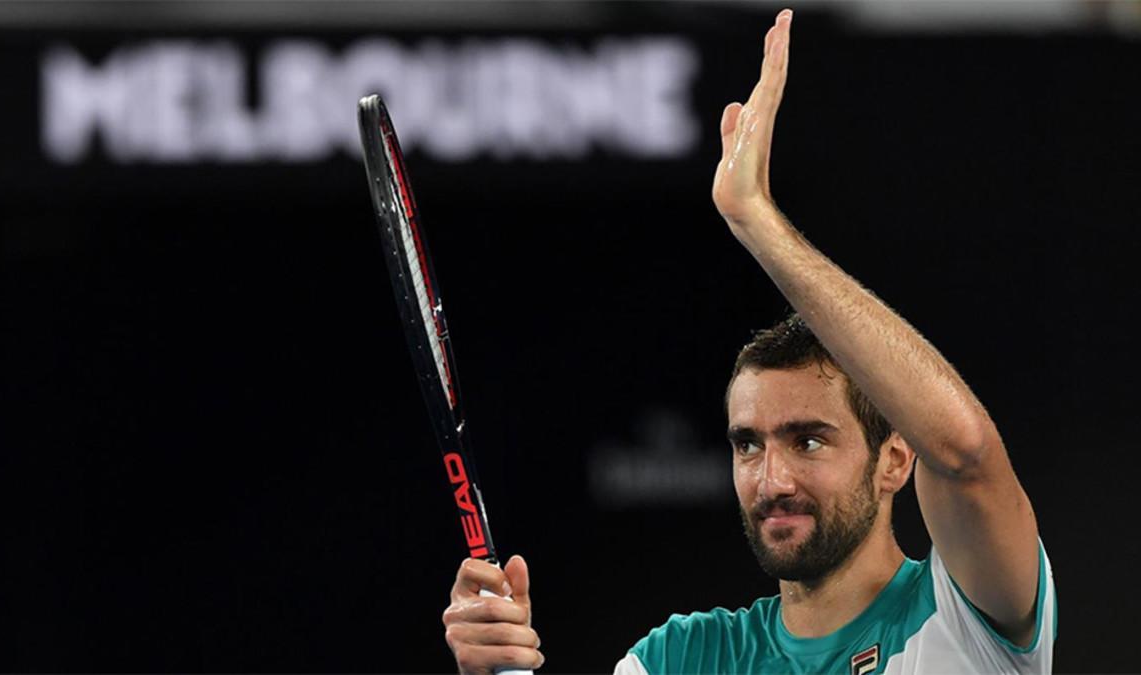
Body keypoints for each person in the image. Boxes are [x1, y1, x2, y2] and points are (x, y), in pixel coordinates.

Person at [440, 8, 1056, 674]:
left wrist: (755, 221)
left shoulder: (967, 615)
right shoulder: (678, 656)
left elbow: (965, 452)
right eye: (748, 443)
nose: (772, 478)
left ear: (895, 460)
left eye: (809, 438)